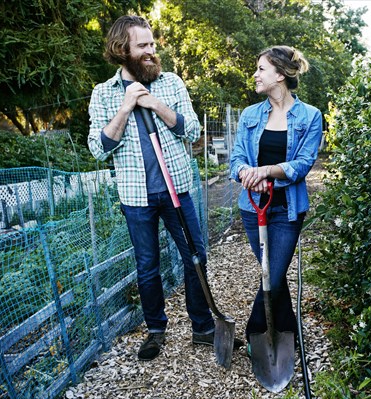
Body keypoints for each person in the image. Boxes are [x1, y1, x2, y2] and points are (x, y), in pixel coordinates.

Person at [88, 15, 241, 361]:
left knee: (195, 257)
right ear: (121, 49)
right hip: (136, 198)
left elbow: (191, 130)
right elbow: (98, 148)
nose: (151, 51)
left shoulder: (170, 83)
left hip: (178, 190)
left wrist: (155, 104)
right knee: (147, 266)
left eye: (152, 44)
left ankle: (202, 327)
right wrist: (127, 106)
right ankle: (156, 330)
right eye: (142, 46)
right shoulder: (103, 94)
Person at [230, 45, 323, 355]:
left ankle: (255, 333)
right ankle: (289, 334)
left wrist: (265, 171)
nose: (255, 75)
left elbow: (302, 164)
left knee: (274, 273)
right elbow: (237, 159)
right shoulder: (249, 115)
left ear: (280, 75)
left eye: (261, 69)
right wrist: (247, 174)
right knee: (275, 275)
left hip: (287, 209)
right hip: (252, 208)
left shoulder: (310, 116)